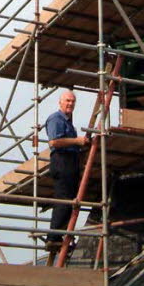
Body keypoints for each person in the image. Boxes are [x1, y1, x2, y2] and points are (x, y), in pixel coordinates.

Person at [45, 90, 89, 248]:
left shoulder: (68, 122)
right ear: (60, 102)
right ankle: (53, 237)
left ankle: (59, 236)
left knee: (70, 200)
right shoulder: (56, 119)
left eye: (73, 101)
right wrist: (77, 141)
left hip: (70, 161)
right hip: (62, 160)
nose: (70, 104)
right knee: (63, 200)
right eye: (67, 101)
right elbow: (54, 142)